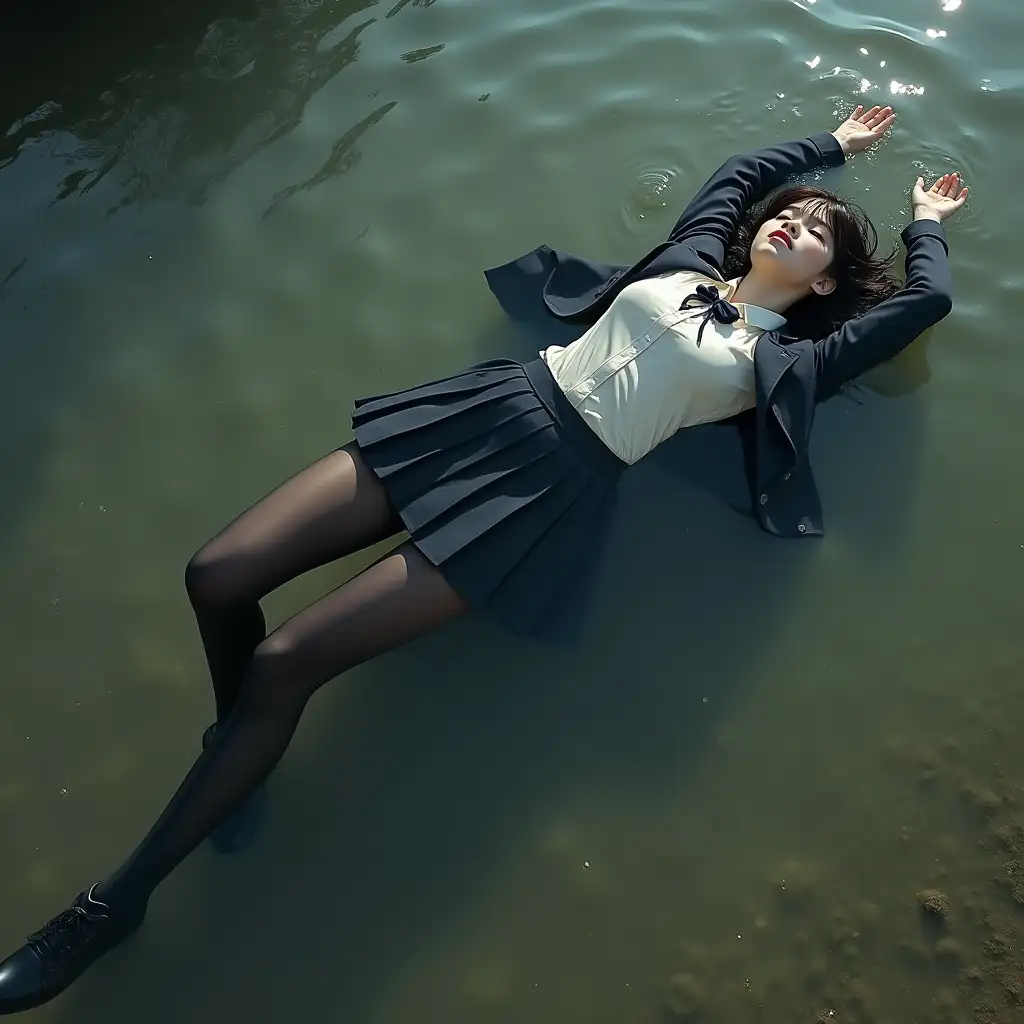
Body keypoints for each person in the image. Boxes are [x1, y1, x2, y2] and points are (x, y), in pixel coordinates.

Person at [0, 103, 966, 1013]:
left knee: (287, 663)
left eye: (816, 236)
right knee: (215, 576)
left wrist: (925, 220)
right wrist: (830, 149)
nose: (793, 225)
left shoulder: (787, 363)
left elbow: (926, 303)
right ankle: (234, 757)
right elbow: (739, 172)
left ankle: (112, 906)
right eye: (789, 217)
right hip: (486, 411)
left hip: (547, 493)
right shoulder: (686, 257)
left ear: (827, 284)